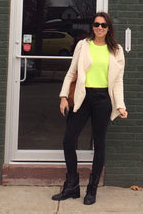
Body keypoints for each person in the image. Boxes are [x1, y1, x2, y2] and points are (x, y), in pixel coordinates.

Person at [52, 12, 128, 205]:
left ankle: (92, 189)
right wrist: (63, 97)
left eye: (103, 25)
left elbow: (118, 81)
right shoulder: (83, 45)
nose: (99, 28)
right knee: (69, 139)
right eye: (96, 24)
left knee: (99, 144)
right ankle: (72, 186)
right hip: (82, 97)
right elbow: (71, 72)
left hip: (103, 99)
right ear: (92, 26)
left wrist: (120, 105)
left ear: (109, 28)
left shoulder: (117, 50)